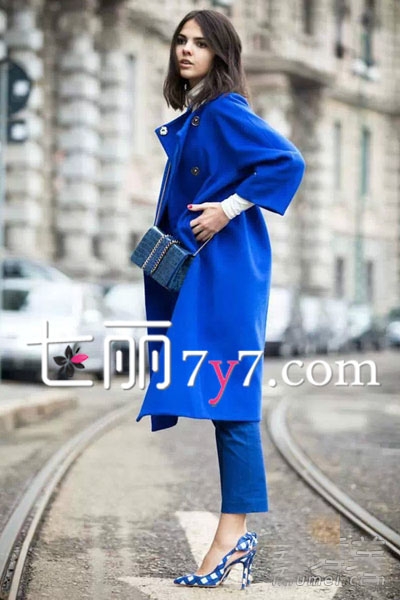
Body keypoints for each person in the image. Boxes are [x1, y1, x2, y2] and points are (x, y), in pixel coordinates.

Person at [134, 9, 305, 589]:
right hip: (204, 271)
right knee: (223, 400)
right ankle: (234, 538)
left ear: (221, 54)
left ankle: (231, 539)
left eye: (200, 43)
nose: (186, 50)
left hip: (228, 273)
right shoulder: (197, 114)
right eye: (180, 40)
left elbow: (287, 160)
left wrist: (228, 208)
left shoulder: (226, 111)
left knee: (233, 403)